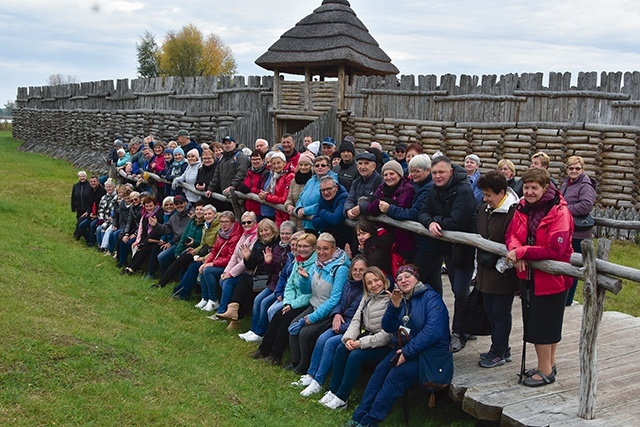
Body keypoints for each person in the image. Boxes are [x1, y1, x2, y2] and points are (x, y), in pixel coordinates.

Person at [346, 265, 450, 426]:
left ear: (417, 278)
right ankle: (359, 414)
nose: (403, 280)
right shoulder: (401, 298)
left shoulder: (431, 298)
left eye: (408, 276)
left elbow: (433, 332)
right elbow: (388, 327)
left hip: (431, 354)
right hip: (407, 349)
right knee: (380, 371)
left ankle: (370, 420)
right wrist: (394, 307)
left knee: (396, 375)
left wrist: (407, 352)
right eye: (399, 278)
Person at [505, 168, 573, 387]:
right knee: (541, 321)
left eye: (535, 187)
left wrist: (523, 252)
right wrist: (517, 249)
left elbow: (555, 249)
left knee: (544, 324)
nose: (530, 191)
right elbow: (511, 235)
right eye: (526, 187)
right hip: (531, 276)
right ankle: (548, 364)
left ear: (545, 188)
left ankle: (545, 370)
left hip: (553, 277)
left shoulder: (559, 211)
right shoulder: (523, 208)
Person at [418, 155, 477, 352]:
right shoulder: (434, 189)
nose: (437, 176)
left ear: (450, 171)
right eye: (434, 173)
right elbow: (422, 212)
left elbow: (457, 221)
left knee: (460, 291)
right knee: (445, 288)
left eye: (441, 172)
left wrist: (435, 220)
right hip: (444, 247)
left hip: (463, 248)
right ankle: (460, 326)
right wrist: (430, 222)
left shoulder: (464, 190)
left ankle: (459, 333)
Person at [318, 266, 392, 410]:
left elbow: (387, 335)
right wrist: (349, 339)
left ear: (383, 280)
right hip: (366, 337)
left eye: (376, 280)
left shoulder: (390, 300)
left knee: (355, 356)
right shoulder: (367, 297)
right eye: (369, 283)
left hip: (384, 345)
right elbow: (356, 320)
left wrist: (360, 343)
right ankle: (333, 391)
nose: (374, 285)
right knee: (341, 348)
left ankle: (342, 397)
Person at [293, 257, 368, 396]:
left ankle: (319, 381)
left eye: (361, 270)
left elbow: (361, 318)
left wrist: (343, 326)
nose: (357, 273)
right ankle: (311, 374)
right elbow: (338, 302)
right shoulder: (348, 284)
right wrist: (337, 314)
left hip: (353, 328)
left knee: (330, 343)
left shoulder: (366, 291)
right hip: (339, 321)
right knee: (322, 339)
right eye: (355, 269)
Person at [288, 233, 351, 375]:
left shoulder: (340, 269)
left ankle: (304, 367)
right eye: (318, 249)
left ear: (334, 249)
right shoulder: (318, 264)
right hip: (314, 304)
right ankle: (294, 361)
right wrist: (304, 279)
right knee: (293, 325)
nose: (321, 253)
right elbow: (306, 290)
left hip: (328, 311)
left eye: (326, 249)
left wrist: (313, 317)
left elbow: (335, 299)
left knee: (305, 333)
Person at [251, 233, 318, 365]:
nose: (302, 249)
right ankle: (264, 349)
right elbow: (290, 285)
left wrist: (292, 305)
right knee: (277, 316)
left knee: (285, 318)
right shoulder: (297, 260)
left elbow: (311, 293)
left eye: (306, 246)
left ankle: (275, 355)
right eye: (299, 246)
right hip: (292, 300)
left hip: (306, 303)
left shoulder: (315, 265)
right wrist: (287, 302)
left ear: (314, 248)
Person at [475, 171, 519, 368]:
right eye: (484, 195)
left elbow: (514, 242)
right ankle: (502, 347)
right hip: (485, 271)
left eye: (489, 195)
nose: (486, 199)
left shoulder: (513, 212)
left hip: (502, 273)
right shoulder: (484, 210)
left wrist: (500, 265)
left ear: (501, 193)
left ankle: (498, 352)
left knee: (500, 314)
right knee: (490, 312)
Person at [380, 154, 440, 290]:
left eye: (417, 171)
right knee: (432, 281)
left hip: (427, 244)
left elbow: (414, 213)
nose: (413, 174)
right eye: (411, 171)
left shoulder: (428, 188)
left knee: (415, 279)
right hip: (420, 241)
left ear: (427, 170)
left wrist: (390, 209)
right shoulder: (416, 184)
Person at [217, 218, 281, 330]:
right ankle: (234, 312)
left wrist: (267, 261)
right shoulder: (259, 243)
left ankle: (236, 317)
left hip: (270, 277)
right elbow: (251, 265)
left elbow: (273, 267)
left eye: (266, 230)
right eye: (261, 231)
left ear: (273, 230)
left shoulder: (276, 244)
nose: (264, 233)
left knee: (248, 282)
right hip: (258, 275)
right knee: (246, 280)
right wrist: (247, 257)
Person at [239, 221, 297, 342]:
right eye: (283, 233)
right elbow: (271, 271)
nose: (285, 236)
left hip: (284, 286)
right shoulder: (277, 248)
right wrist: (268, 262)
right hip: (274, 282)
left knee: (265, 303)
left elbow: (288, 273)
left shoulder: (293, 251)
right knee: (258, 300)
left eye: (288, 234)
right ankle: (253, 329)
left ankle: (260, 333)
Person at [559, 156, 597, 306]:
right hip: (566, 229)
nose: (574, 171)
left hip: (578, 232)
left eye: (577, 168)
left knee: (574, 264)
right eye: (571, 168)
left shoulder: (586, 185)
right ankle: (562, 295)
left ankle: (568, 299)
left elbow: (586, 205)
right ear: (567, 169)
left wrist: (564, 209)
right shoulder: (566, 184)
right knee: (564, 263)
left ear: (582, 169)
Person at [363, 160, 416, 260]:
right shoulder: (382, 187)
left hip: (402, 238)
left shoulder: (408, 189)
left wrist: (381, 203)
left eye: (392, 174)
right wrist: (381, 203)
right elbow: (371, 209)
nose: (388, 177)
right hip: (384, 236)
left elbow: (401, 206)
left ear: (399, 174)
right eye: (385, 175)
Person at [170, 204, 220, 300]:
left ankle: (184, 293)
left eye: (210, 214)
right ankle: (179, 289)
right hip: (205, 252)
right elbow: (202, 244)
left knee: (194, 266)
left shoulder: (217, 228)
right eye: (205, 214)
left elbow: (216, 249)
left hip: (214, 256)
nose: (207, 216)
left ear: (215, 214)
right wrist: (195, 250)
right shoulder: (206, 226)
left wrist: (204, 258)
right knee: (189, 262)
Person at [151, 201, 206, 288]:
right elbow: (183, 237)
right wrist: (177, 252)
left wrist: (194, 242)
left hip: (198, 251)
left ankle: (175, 287)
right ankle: (163, 282)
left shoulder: (205, 225)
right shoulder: (192, 221)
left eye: (201, 210)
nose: (199, 211)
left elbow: (204, 242)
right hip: (185, 247)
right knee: (168, 257)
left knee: (183, 262)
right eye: (197, 209)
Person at [213, 211, 259, 315]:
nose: (246, 225)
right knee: (222, 279)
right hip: (239, 270)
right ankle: (223, 307)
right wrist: (226, 271)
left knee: (228, 282)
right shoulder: (244, 235)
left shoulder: (255, 237)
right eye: (244, 223)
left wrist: (231, 274)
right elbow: (234, 255)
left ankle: (222, 311)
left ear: (255, 222)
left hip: (248, 271)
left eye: (249, 222)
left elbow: (245, 261)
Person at [197, 211, 243, 312]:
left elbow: (230, 258)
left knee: (208, 271)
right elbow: (214, 250)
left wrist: (213, 263)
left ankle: (214, 300)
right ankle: (205, 298)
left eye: (226, 222)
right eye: (221, 221)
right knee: (203, 267)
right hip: (220, 261)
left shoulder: (235, 236)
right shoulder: (221, 233)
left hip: (228, 265)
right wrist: (206, 262)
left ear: (232, 223)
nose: (223, 224)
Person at [294, 155, 338, 231]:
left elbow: (326, 203)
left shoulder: (332, 182)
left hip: (320, 226)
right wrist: (299, 208)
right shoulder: (310, 180)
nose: (320, 167)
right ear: (313, 167)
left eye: (323, 165)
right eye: (317, 165)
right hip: (306, 223)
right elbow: (301, 196)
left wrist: (306, 210)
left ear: (328, 167)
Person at [123, 196, 164, 275]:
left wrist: (144, 243)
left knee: (144, 249)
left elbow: (157, 230)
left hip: (156, 239)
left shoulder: (159, 214)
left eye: (151, 206)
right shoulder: (145, 216)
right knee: (140, 247)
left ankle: (132, 268)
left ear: (155, 205)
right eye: (147, 206)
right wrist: (141, 242)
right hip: (147, 239)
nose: (149, 208)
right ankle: (130, 266)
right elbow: (144, 231)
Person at [207, 136, 249, 212]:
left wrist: (232, 186)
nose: (227, 145)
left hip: (237, 194)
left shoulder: (240, 156)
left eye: (229, 143)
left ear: (235, 144)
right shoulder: (223, 158)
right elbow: (217, 175)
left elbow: (242, 173)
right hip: (225, 194)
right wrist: (210, 188)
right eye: (225, 143)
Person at [311, 176, 351, 249]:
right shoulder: (322, 199)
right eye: (323, 190)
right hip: (328, 239)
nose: (326, 192)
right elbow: (315, 223)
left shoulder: (344, 197)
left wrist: (322, 212)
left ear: (336, 188)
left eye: (329, 189)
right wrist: (330, 216)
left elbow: (336, 219)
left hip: (344, 240)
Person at [258, 151, 294, 227]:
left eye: (278, 163)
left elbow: (285, 198)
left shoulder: (289, 176)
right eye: (274, 164)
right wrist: (267, 194)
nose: (276, 166)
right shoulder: (277, 176)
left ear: (284, 163)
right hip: (279, 212)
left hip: (287, 214)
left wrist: (267, 197)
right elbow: (276, 193)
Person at [345, 152, 383, 220]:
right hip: (357, 221)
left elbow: (378, 201)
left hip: (374, 222)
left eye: (366, 163)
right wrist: (348, 209)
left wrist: (361, 208)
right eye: (360, 163)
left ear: (373, 166)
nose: (362, 167)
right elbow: (350, 199)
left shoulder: (380, 181)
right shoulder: (356, 182)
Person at [285, 151, 315, 230]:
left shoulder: (313, 181)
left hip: (307, 220)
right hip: (294, 219)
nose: (303, 167)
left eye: (306, 165)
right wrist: (288, 205)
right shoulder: (294, 181)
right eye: (301, 165)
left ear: (311, 166)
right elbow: (289, 198)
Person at [237, 150, 269, 220]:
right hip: (248, 207)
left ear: (263, 160)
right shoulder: (249, 172)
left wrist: (249, 190)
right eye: (253, 159)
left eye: (258, 159)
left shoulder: (266, 173)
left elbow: (264, 190)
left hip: (260, 208)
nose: (255, 161)